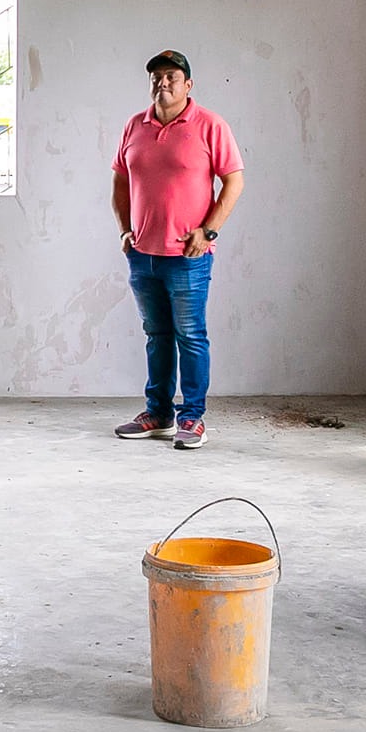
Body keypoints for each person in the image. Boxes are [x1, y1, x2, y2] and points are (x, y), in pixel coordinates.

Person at [111, 50, 246, 449]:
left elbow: (234, 182)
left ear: (188, 84)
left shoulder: (210, 125)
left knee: (190, 336)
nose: (163, 82)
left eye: (171, 76)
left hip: (188, 257)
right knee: (157, 335)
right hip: (143, 256)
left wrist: (209, 232)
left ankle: (192, 418)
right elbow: (120, 182)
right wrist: (125, 231)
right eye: (157, 76)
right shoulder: (134, 126)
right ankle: (159, 414)